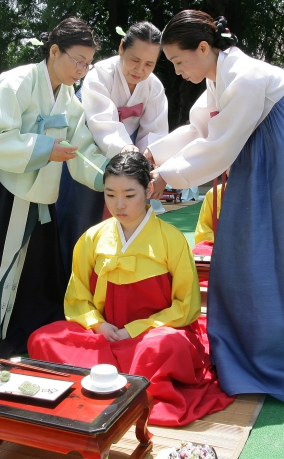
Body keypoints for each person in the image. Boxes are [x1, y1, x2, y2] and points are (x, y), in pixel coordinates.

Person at [28, 152, 234, 427]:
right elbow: (78, 297)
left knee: (163, 346)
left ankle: (102, 380)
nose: (119, 204)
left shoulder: (171, 239)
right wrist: (98, 324)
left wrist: (135, 329)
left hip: (152, 334)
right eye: (110, 194)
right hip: (103, 336)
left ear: (148, 190)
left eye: (129, 194)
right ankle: (124, 378)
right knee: (42, 338)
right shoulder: (92, 237)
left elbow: (186, 306)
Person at [0, 17, 108, 376]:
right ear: (54, 51)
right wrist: (44, 147)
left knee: (34, 267)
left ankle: (18, 334)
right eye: (78, 60)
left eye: (88, 64)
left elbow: (80, 149)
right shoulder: (17, 80)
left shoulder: (69, 98)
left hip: (35, 188)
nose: (82, 71)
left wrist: (111, 178)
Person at [144, 10, 284, 400]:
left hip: (276, 159)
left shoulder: (246, 77)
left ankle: (267, 352)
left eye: (177, 61)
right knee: (245, 251)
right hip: (257, 161)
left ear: (204, 47)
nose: (175, 70)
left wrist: (164, 178)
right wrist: (151, 156)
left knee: (266, 250)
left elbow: (217, 147)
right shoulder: (219, 78)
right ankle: (248, 349)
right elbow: (198, 130)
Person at [56, 21, 168, 282]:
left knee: (125, 220)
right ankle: (70, 287)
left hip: (130, 157)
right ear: (121, 48)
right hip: (89, 150)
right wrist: (128, 153)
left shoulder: (154, 87)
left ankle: (114, 288)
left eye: (149, 64)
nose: (140, 70)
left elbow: (154, 133)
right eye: (134, 60)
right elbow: (102, 124)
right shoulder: (99, 74)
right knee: (80, 219)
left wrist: (146, 165)